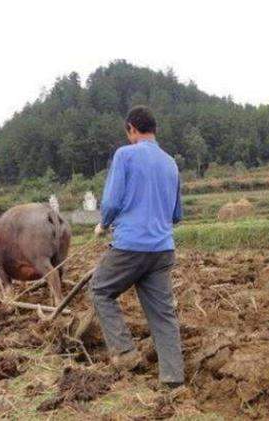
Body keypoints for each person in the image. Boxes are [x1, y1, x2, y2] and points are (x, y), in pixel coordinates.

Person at [91, 105, 184, 388]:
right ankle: (173, 380)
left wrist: (104, 224)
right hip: (162, 249)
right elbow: (177, 214)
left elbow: (110, 202)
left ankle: (125, 352)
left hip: (131, 246)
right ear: (153, 130)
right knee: (162, 314)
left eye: (128, 133)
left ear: (131, 128)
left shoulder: (125, 155)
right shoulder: (170, 163)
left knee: (100, 289)